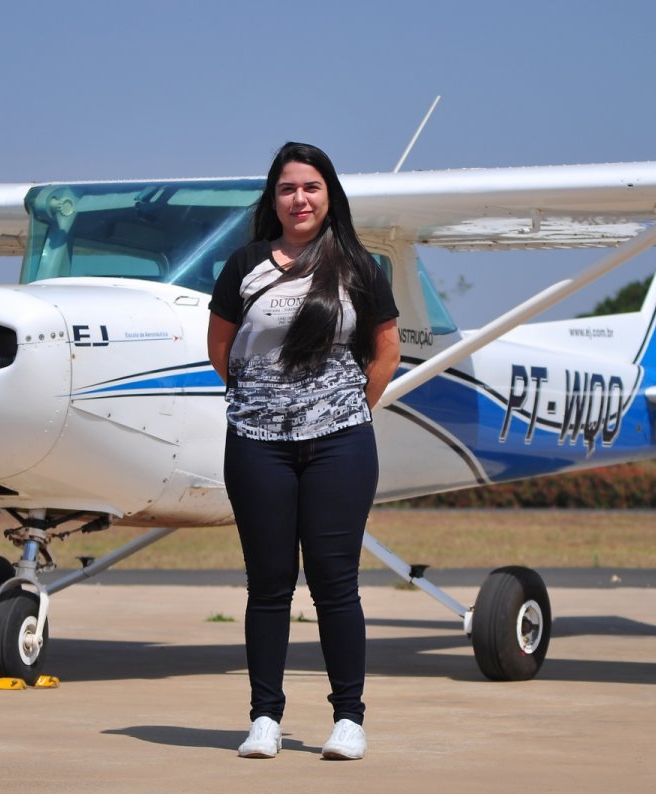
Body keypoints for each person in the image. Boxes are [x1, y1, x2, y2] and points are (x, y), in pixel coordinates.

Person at [207, 142, 400, 760]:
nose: (299, 199)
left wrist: (343, 408)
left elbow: (386, 350)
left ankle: (349, 720)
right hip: (257, 445)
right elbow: (221, 349)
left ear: (328, 195)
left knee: (335, 583)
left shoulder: (359, 266)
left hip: (340, 443)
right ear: (274, 199)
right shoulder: (244, 266)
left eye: (311, 187)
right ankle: (264, 719)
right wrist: (265, 401)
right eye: (288, 188)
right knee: (268, 585)